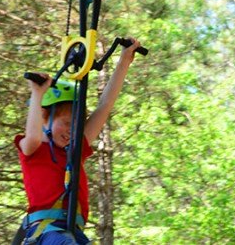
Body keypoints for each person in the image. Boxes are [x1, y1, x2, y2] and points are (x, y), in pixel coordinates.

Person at [14, 38, 141, 244]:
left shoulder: (74, 151)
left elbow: (105, 106)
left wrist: (124, 60)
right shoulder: (32, 149)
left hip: (73, 233)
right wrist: (37, 94)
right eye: (65, 122)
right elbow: (35, 135)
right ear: (45, 117)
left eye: (76, 125)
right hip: (47, 234)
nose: (71, 131)